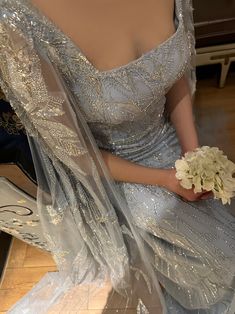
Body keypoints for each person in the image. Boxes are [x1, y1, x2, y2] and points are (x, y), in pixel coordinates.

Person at [0, 0, 234, 313]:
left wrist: (194, 155)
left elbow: (171, 69)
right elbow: (76, 155)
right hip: (112, 172)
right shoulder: (19, 19)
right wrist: (167, 180)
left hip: (172, 144)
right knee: (214, 259)